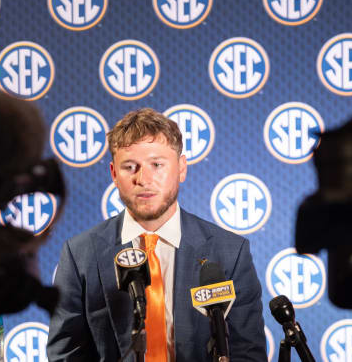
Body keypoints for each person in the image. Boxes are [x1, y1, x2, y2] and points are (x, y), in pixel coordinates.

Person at [47, 108, 268, 361]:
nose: (144, 179)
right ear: (114, 174)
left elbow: (248, 354)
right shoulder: (80, 255)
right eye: (130, 167)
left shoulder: (230, 253)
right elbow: (66, 355)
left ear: (181, 168)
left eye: (157, 165)